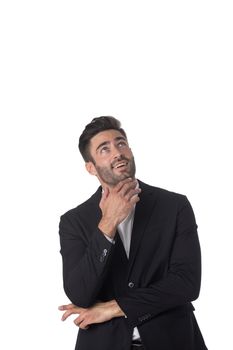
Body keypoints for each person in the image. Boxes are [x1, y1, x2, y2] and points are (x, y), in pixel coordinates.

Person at [58, 116, 208, 350]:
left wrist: (113, 307)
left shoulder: (174, 206)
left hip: (173, 341)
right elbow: (80, 293)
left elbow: (186, 283)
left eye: (121, 143)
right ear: (91, 168)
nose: (117, 152)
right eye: (104, 149)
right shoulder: (73, 221)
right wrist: (107, 223)